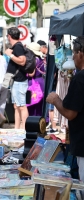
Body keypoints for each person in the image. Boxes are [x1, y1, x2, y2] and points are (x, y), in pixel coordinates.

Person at [46, 36, 84, 190]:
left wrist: (55, 100)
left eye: (74, 53)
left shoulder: (80, 78)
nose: (73, 57)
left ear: (81, 53)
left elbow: (70, 113)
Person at [4, 27, 28, 130]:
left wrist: (10, 55)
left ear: (9, 36)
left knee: (21, 106)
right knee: (16, 106)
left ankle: (24, 129)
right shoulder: (17, 46)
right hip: (16, 81)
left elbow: (22, 61)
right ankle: (17, 128)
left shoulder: (18, 46)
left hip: (19, 81)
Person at [26, 42, 45, 117]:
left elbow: (31, 73)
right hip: (40, 82)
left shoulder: (34, 60)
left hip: (34, 83)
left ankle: (34, 121)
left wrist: (24, 71)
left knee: (32, 104)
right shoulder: (40, 59)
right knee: (39, 105)